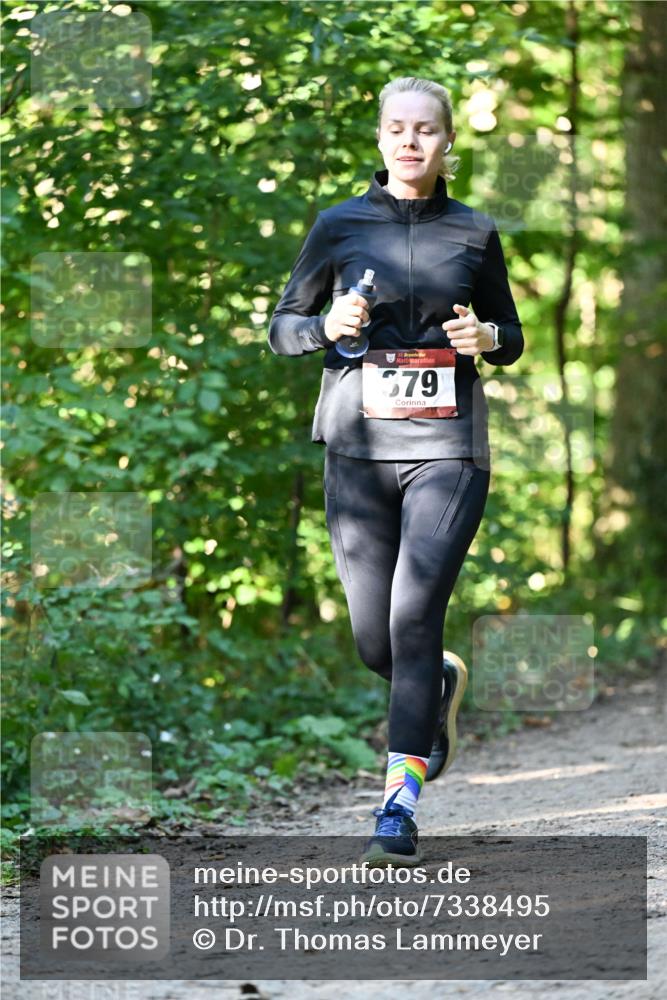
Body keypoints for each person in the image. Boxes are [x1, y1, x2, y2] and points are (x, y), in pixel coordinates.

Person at [268, 76, 524, 867]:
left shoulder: (473, 233)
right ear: (379, 139)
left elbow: (508, 333)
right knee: (376, 641)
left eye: (425, 130)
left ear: (448, 143)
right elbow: (279, 329)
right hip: (355, 452)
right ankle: (438, 685)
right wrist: (323, 324)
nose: (409, 142)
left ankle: (396, 808)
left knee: (414, 622)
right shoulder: (337, 225)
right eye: (395, 129)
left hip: (447, 451)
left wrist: (486, 337)